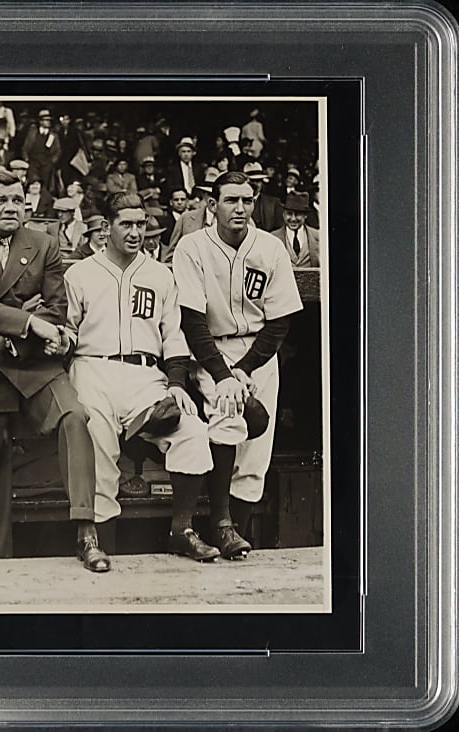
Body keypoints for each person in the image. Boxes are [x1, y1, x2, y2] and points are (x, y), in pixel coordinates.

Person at [0, 167, 107, 570]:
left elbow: (56, 306)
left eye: (17, 200)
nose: (11, 207)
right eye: (1, 200)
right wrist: (27, 319)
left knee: (75, 417)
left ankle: (86, 530)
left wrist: (10, 334)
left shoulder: (44, 244)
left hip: (32, 361)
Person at [63, 193, 220, 561]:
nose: (136, 232)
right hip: (92, 366)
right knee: (97, 439)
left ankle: (181, 530)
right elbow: (67, 330)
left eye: (141, 224)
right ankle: (96, 542)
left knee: (193, 432)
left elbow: (173, 336)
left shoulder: (160, 275)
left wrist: (178, 384)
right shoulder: (80, 273)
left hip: (145, 375)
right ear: (106, 227)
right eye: (126, 224)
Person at [172, 171, 304, 550]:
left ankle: (237, 535)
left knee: (256, 454)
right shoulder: (192, 247)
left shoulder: (270, 248)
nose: (240, 208)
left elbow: (279, 321)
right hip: (212, 350)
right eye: (231, 200)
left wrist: (244, 369)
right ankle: (221, 525)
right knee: (228, 421)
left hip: (259, 353)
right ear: (212, 206)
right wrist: (224, 373)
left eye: (247, 200)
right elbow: (192, 321)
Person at [271, 191, 320, 267]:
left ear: (305, 215)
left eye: (298, 214)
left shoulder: (318, 237)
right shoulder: (273, 238)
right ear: (283, 214)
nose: (293, 219)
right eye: (289, 214)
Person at [21, 109, 61, 191]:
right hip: (33, 163)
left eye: (49, 120)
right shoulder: (32, 132)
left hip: (46, 165)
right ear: (40, 121)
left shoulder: (53, 135)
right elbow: (25, 147)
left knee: (45, 186)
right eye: (46, 120)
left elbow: (58, 151)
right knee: (32, 184)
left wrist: (51, 162)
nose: (48, 122)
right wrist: (26, 159)